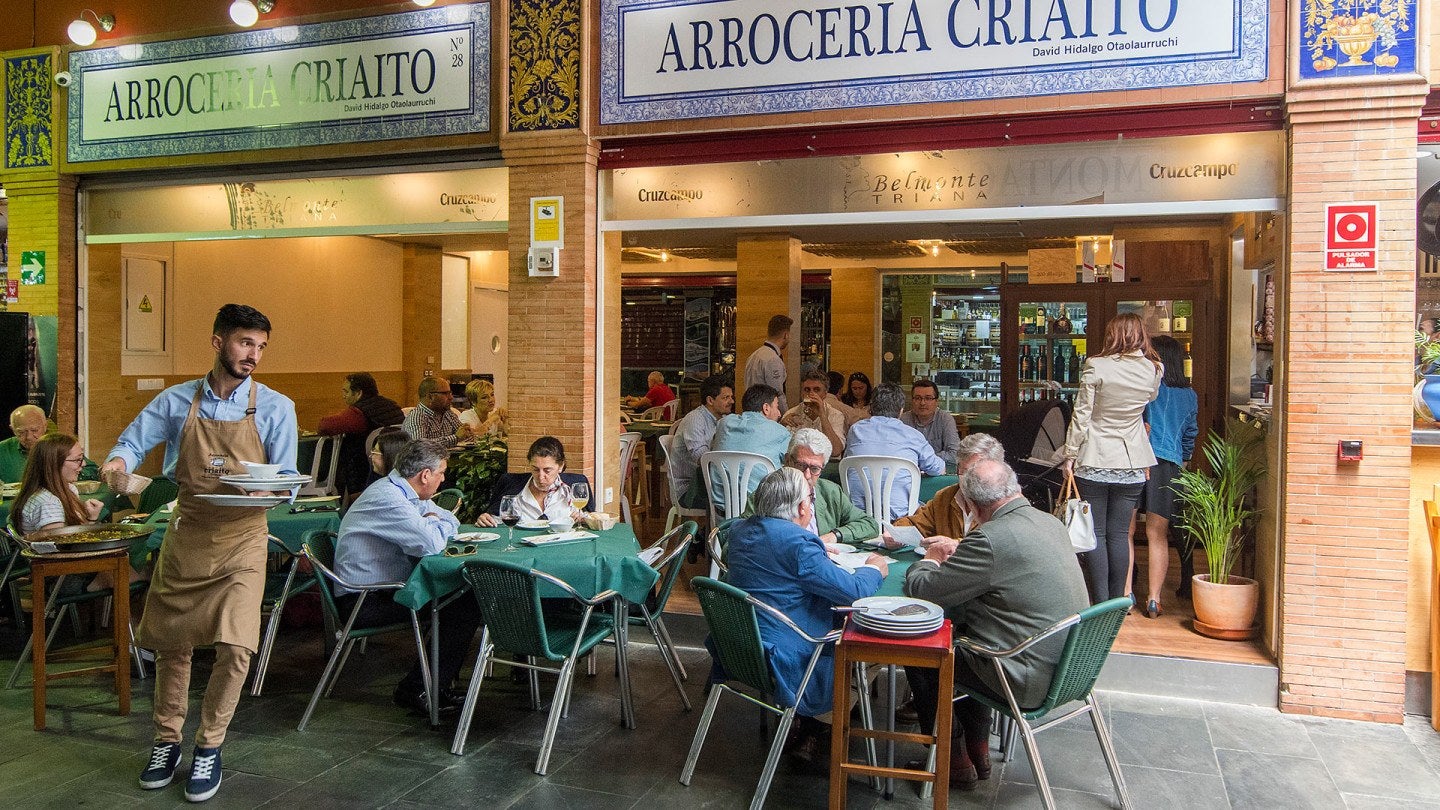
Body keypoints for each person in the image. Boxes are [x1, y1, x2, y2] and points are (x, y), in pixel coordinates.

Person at [102, 304, 297, 803]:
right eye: (244, 343)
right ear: (217, 342)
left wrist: (268, 492)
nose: (253, 355)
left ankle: (209, 745)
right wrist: (118, 465)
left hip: (244, 537)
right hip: (187, 532)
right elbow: (129, 442)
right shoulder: (175, 401)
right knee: (173, 644)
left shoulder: (276, 407)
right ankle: (167, 741)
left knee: (236, 646)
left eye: (260, 347)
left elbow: (287, 481)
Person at [902, 459, 1089, 790]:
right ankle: (979, 749)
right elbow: (1012, 562)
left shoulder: (991, 537)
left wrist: (929, 560)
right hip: (1071, 670)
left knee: (924, 654)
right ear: (1016, 488)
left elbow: (923, 590)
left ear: (973, 506)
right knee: (971, 642)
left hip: (1023, 677)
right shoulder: (1050, 523)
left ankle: (954, 759)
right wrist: (963, 549)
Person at [724, 467, 888, 763]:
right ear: (803, 507)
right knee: (872, 644)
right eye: (811, 499)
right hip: (789, 653)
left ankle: (804, 723)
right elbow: (853, 591)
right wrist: (874, 567)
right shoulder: (798, 544)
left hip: (741, 646)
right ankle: (819, 722)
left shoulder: (738, 532)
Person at [333, 439, 477, 716]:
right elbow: (432, 543)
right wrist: (437, 522)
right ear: (425, 475)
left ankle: (431, 685)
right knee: (461, 604)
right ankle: (418, 689)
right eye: (441, 473)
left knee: (459, 597)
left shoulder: (402, 492)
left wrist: (436, 520)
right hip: (363, 601)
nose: (443, 479)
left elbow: (449, 518)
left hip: (381, 590)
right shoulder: (389, 499)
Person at [1058, 312, 1162, 605]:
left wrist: (1070, 454)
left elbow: (1082, 414)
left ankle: (1099, 602)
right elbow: (1149, 400)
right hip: (1133, 462)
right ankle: (1118, 602)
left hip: (1095, 457)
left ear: (1112, 335)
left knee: (1097, 533)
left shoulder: (1097, 365)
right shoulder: (1154, 368)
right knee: (1118, 534)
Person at [1137, 335, 1199, 619]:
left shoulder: (1147, 390)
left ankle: (1125, 594)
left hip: (1136, 462)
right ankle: (1153, 599)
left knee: (1124, 531)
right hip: (1168, 466)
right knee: (1157, 534)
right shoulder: (1189, 396)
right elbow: (1190, 435)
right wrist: (1182, 460)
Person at [743, 428, 879, 547]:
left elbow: (869, 524)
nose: (806, 475)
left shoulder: (830, 492)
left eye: (814, 468)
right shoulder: (765, 494)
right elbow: (737, 538)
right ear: (787, 460)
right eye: (801, 465)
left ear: (822, 468)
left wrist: (834, 536)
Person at [843, 383, 944, 520]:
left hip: (858, 515)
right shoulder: (913, 435)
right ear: (901, 411)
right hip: (901, 517)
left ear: (871, 408)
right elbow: (938, 469)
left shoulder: (855, 430)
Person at [889, 433, 1005, 541]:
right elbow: (916, 523)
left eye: (975, 473)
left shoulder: (1004, 504)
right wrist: (895, 534)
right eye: (963, 472)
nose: (969, 480)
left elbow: (1000, 542)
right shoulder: (945, 497)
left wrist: (956, 545)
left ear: (996, 472)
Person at [316, 372, 405, 497]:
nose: (343, 396)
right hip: (397, 468)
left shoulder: (359, 413)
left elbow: (325, 426)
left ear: (358, 393)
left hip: (363, 474)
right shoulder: (393, 407)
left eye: (346, 392)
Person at [476, 436, 592, 525]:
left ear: (560, 466)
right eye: (535, 469)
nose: (541, 477)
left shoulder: (575, 486)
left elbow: (593, 519)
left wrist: (585, 520)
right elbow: (494, 518)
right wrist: (485, 519)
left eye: (547, 470)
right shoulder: (511, 484)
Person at [710, 383, 792, 502]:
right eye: (777, 406)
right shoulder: (780, 432)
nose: (779, 413)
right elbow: (793, 461)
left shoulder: (724, 424)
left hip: (722, 510)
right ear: (766, 408)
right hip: (762, 509)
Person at [666, 374, 733, 509]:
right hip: (690, 491)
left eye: (732, 397)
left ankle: (713, 529)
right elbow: (702, 459)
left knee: (743, 497)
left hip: (710, 485)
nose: (731, 401)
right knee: (734, 501)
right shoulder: (695, 419)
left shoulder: (722, 420)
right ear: (710, 400)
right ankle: (716, 530)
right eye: (726, 397)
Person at [780, 371, 847, 458]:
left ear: (825, 393)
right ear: (801, 393)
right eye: (807, 390)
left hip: (827, 466)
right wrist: (781, 425)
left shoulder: (835, 415)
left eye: (816, 390)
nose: (811, 394)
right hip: (800, 465)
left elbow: (836, 451)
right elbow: (780, 451)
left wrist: (822, 415)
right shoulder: (791, 414)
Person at [900, 379, 960, 465]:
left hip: (939, 474)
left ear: (937, 402)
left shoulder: (945, 419)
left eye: (928, 398)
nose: (922, 403)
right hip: (910, 471)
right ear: (912, 400)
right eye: (918, 398)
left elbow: (955, 455)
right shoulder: (903, 420)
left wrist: (923, 458)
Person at [743, 314, 793, 412]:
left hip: (750, 410)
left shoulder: (753, 355)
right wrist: (786, 415)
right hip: (766, 413)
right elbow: (777, 392)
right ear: (785, 335)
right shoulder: (773, 359)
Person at [402, 377, 463, 447]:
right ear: (430, 397)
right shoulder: (417, 417)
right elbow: (420, 446)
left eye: (450, 393)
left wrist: (466, 432)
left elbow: (464, 435)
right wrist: (455, 438)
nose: (451, 397)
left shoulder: (447, 413)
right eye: (446, 394)